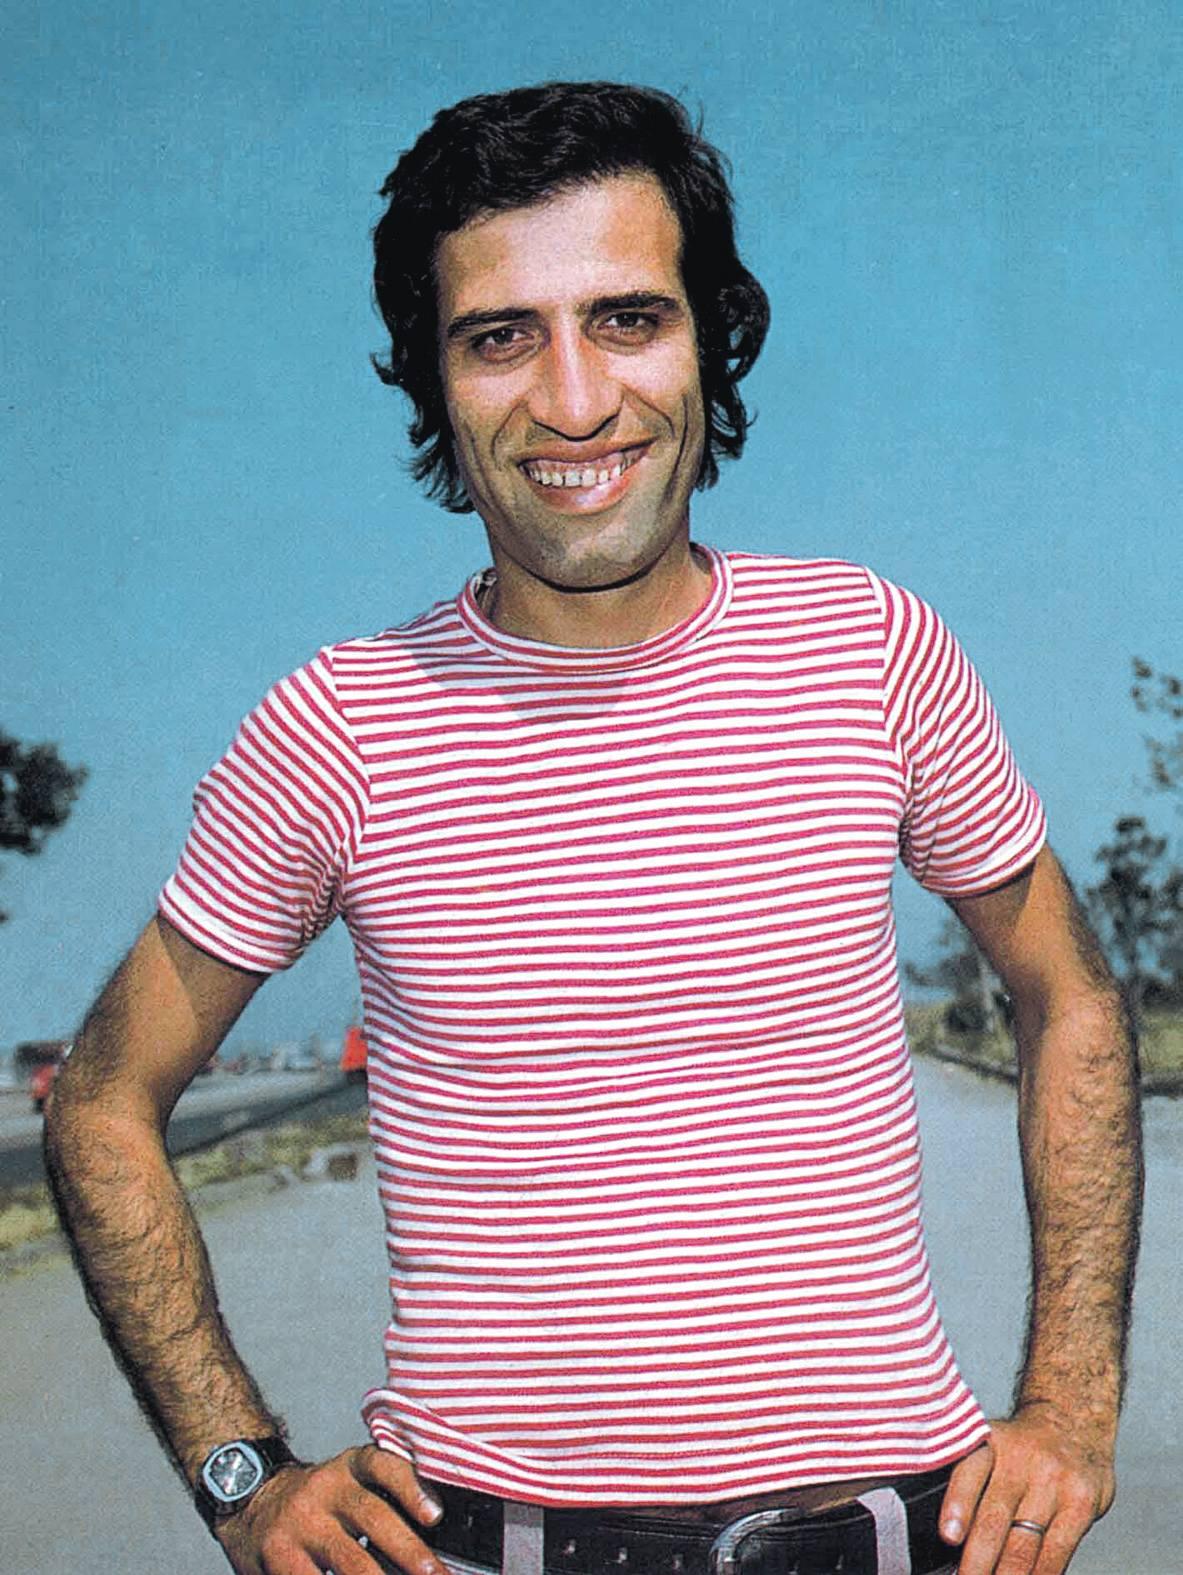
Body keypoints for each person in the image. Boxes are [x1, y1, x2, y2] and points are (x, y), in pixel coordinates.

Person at [45, 81, 1142, 1575]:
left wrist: (1072, 1403)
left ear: (712, 337)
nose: (575, 400)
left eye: (628, 319)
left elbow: (1070, 993)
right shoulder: (336, 726)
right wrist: (242, 1476)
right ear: (434, 381)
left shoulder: (873, 651)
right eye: (501, 337)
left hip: (902, 1536)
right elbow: (102, 1100)